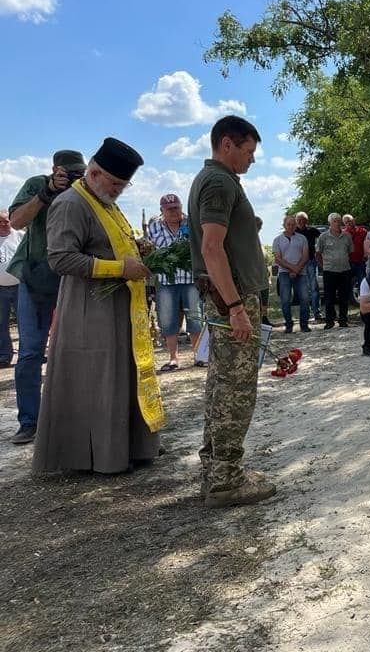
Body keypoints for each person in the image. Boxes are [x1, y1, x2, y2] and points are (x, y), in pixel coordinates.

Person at [33, 138, 163, 473]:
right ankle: (97, 457)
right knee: (99, 381)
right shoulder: (70, 203)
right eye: (116, 183)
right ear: (93, 173)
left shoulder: (105, 202)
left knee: (121, 377)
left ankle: (130, 448)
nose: (120, 190)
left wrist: (136, 247)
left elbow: (108, 244)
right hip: (89, 311)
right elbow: (61, 258)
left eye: (124, 185)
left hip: (119, 308)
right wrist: (120, 268)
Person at [189, 114, 276, 507]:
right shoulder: (219, 183)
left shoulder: (218, 182)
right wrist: (237, 308)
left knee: (222, 386)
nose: (251, 160)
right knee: (236, 391)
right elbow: (211, 249)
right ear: (228, 144)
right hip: (233, 299)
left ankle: (216, 472)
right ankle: (226, 479)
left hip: (229, 298)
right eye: (248, 151)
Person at [7, 149, 86, 444]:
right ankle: (29, 421)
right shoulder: (36, 184)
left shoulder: (85, 191)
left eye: (80, 171)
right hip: (36, 278)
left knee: (79, 349)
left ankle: (76, 417)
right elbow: (15, 221)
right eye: (69, 173)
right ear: (55, 170)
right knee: (30, 352)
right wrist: (47, 192)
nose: (75, 177)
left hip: (73, 278)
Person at [147, 193, 202, 370]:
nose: (173, 211)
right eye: (169, 209)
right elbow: (149, 248)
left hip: (190, 278)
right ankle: (173, 358)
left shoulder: (191, 222)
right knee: (168, 319)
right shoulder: (154, 227)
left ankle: (198, 355)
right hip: (166, 280)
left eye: (176, 207)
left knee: (195, 317)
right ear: (162, 210)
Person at [273, 214, 310, 333]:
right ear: (284, 225)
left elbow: (305, 256)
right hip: (284, 273)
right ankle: (289, 325)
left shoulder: (302, 238)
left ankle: (304, 325)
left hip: (301, 272)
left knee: (304, 298)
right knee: (285, 299)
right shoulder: (277, 240)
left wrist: (297, 269)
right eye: (288, 224)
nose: (291, 226)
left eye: (293, 224)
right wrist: (292, 269)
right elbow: (278, 259)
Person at [316, 212, 354, 329]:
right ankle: (329, 321)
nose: (338, 223)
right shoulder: (323, 237)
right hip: (329, 271)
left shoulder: (347, 236)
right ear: (330, 223)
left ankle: (343, 320)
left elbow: (350, 251)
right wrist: (324, 265)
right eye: (335, 221)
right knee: (329, 298)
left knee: (344, 297)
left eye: (339, 221)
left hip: (344, 270)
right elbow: (318, 253)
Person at [0, 211, 22, 369]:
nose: (2, 225)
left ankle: (28, 354)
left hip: (20, 287)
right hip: (0, 289)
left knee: (25, 323)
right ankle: (4, 355)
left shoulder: (20, 236)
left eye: (5, 221)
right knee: (1, 324)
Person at [294, 212, 322, 320]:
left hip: (311, 262)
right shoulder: (293, 232)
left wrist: (319, 251)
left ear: (307, 220)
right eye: (299, 220)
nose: (301, 222)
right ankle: (306, 313)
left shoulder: (312, 230)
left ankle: (317, 312)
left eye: (303, 219)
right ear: (296, 221)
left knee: (314, 288)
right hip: (299, 264)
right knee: (303, 290)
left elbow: (324, 238)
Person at [342, 213, 367, 310]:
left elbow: (368, 243)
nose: (349, 223)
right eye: (346, 222)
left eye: (350, 221)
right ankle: (348, 305)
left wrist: (366, 254)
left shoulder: (362, 231)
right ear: (344, 224)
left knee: (362, 283)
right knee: (346, 284)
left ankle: (363, 306)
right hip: (347, 263)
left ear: (354, 220)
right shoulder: (343, 233)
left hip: (360, 262)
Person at [255, 216, 271, 327]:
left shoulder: (258, 240)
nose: (259, 228)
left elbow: (266, 259)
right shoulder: (248, 239)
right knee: (257, 300)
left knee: (264, 299)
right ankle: (259, 321)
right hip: (254, 277)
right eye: (258, 226)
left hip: (263, 275)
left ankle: (264, 318)